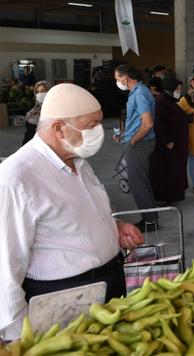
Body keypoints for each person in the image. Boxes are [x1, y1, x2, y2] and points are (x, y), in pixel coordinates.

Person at [0, 84, 145, 340]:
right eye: (92, 125)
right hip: (64, 299)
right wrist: (17, 338)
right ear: (59, 128)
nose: (99, 131)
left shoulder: (78, 159)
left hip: (109, 284)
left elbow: (88, 208)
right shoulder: (17, 179)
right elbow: (5, 269)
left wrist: (117, 226)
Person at [114, 65, 159, 231]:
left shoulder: (139, 94)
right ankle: (151, 218)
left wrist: (132, 140)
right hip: (139, 140)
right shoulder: (139, 92)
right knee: (142, 182)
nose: (117, 82)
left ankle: (150, 222)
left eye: (118, 79)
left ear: (125, 78)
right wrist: (124, 135)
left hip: (140, 143)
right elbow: (138, 120)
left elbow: (148, 123)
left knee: (136, 184)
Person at [149, 78, 189, 205]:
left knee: (174, 170)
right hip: (166, 147)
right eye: (176, 89)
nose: (178, 91)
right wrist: (167, 140)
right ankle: (162, 197)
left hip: (175, 145)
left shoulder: (168, 101)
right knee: (164, 171)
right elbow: (158, 123)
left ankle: (172, 195)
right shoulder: (160, 102)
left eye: (179, 89)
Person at [22, 81, 51, 145]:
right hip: (31, 147)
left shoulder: (55, 111)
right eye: (37, 92)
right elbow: (28, 134)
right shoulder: (32, 113)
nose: (40, 94)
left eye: (43, 91)